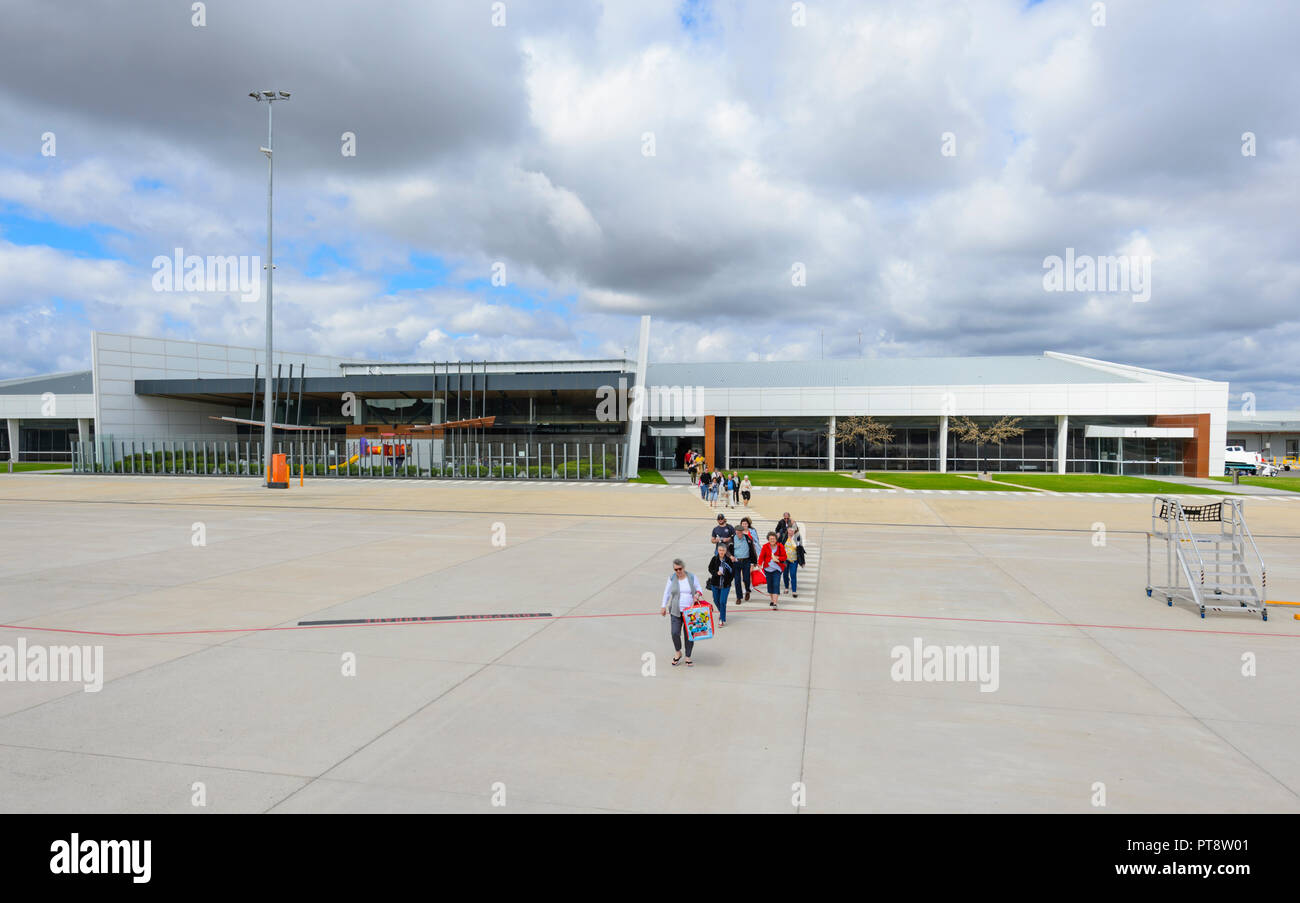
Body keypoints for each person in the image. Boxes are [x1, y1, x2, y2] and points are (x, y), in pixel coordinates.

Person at [661, 558, 708, 666]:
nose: (678, 571)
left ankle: (688, 656)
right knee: (675, 633)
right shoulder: (672, 578)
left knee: (689, 635)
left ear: (683, 567)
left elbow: (699, 589)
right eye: (675, 569)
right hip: (675, 610)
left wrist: (697, 595)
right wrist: (663, 606)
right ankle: (678, 652)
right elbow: (667, 593)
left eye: (679, 569)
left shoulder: (691, 577)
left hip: (690, 612)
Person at [731, 515, 759, 603]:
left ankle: (747, 590)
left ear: (743, 532)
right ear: (735, 532)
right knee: (737, 580)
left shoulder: (747, 538)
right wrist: (730, 557)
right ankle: (739, 597)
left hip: (746, 561)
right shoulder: (732, 539)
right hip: (736, 562)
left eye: (740, 532)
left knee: (746, 578)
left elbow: (752, 550)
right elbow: (727, 550)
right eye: (737, 532)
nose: (739, 534)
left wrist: (754, 561)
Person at [756, 530, 787, 610]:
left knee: (776, 584)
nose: (772, 540)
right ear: (768, 539)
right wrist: (759, 564)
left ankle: (775, 603)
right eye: (770, 539)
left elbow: (785, 557)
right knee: (770, 585)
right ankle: (772, 600)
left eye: (773, 538)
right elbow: (761, 557)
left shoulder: (780, 546)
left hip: (777, 569)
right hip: (767, 569)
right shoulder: (765, 546)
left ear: (776, 539)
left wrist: (778, 558)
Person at [707, 546, 735, 627]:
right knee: (716, 600)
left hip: (725, 585)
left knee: (722, 602)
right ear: (717, 551)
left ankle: (721, 619)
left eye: (723, 550)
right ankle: (722, 612)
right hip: (715, 584)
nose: (721, 552)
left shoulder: (729, 560)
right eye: (720, 550)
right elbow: (710, 568)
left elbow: (732, 572)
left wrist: (728, 580)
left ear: (725, 551)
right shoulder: (714, 559)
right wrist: (716, 573)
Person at [780, 514, 805, 598]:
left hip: (794, 559)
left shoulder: (798, 537)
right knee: (785, 574)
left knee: (793, 574)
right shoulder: (783, 536)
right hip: (785, 560)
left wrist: (802, 562)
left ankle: (794, 591)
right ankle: (786, 587)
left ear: (795, 530)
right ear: (787, 530)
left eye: (793, 530)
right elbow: (779, 547)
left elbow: (800, 549)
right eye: (790, 530)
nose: (791, 532)